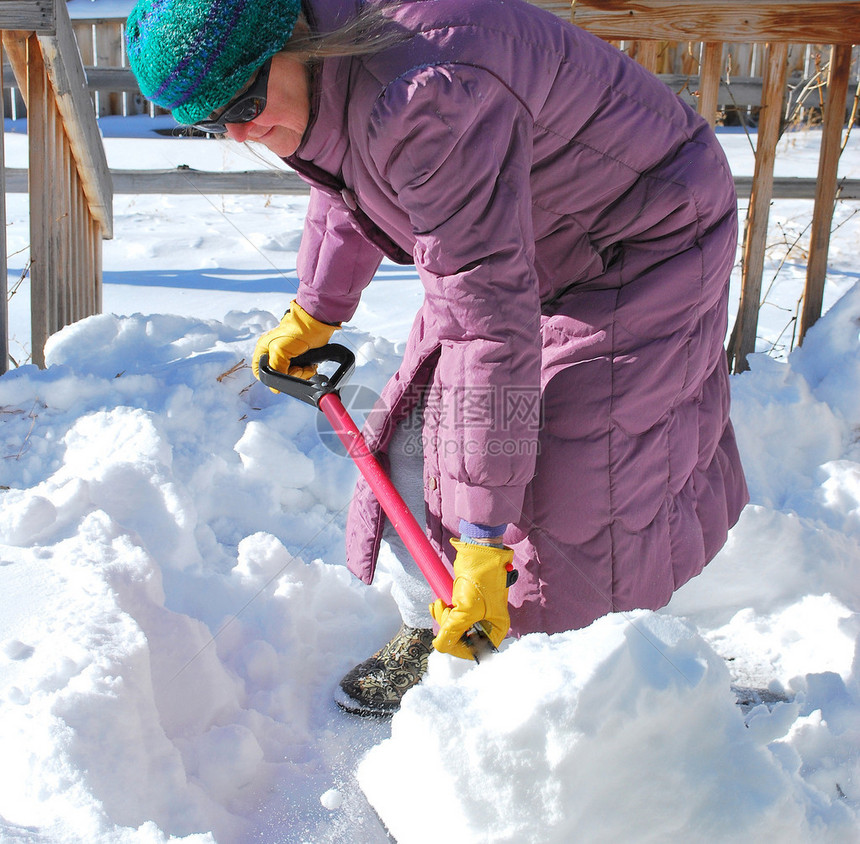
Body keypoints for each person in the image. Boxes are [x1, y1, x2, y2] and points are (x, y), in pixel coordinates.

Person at [126, 0, 749, 717]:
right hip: (522, 233)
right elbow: (347, 180)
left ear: (295, 39)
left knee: (579, 487)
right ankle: (437, 629)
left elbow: (489, 331)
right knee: (417, 436)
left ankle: (583, 704)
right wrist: (315, 310)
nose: (239, 132)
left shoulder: (422, 96)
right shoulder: (333, 77)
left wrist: (484, 537)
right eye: (210, 121)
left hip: (643, 234)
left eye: (242, 101)